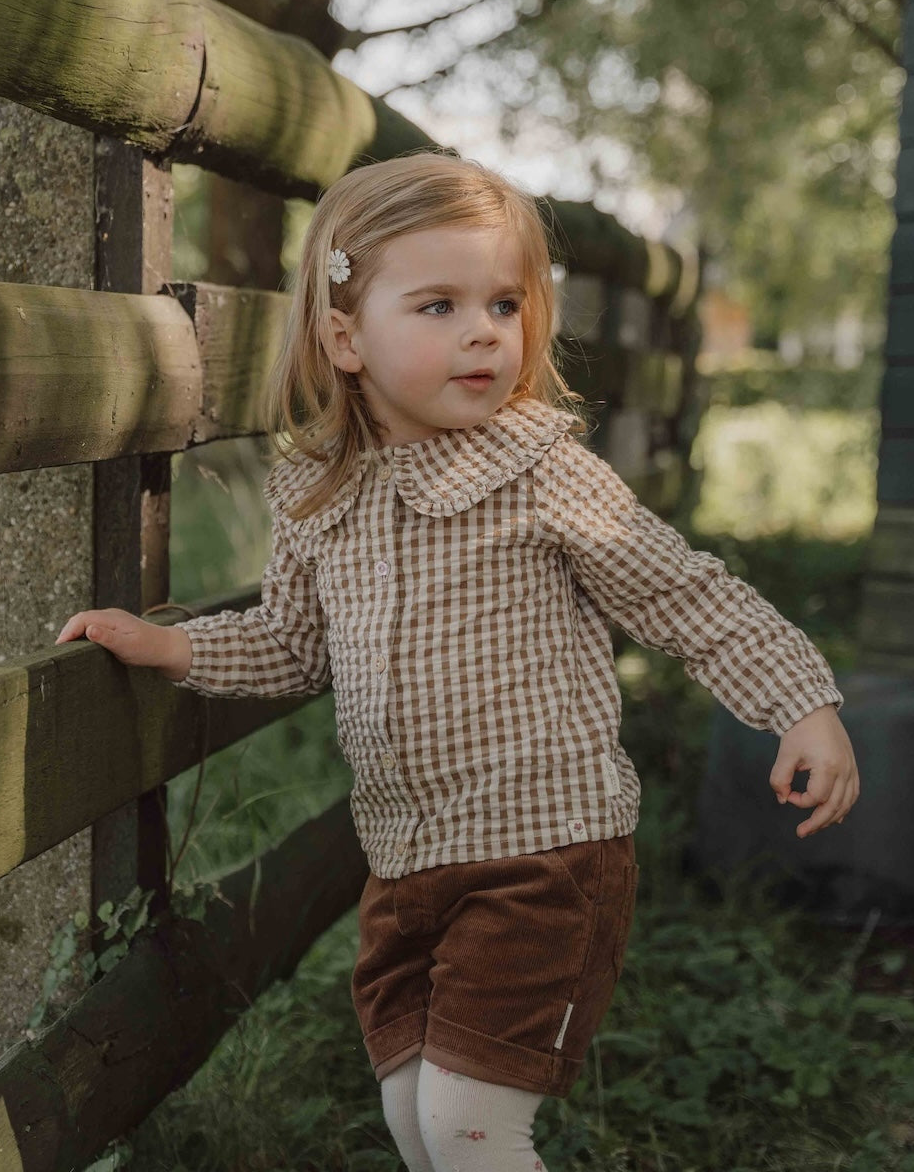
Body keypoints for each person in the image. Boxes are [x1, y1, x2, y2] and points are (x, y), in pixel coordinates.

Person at [55, 151, 860, 1172]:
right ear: (345, 335)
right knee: (416, 1125)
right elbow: (295, 645)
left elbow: (681, 592)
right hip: (402, 866)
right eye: (438, 305)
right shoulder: (320, 492)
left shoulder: (541, 472)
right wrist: (168, 644)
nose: (485, 331)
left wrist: (798, 701)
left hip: (546, 854)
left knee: (471, 1129)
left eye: (504, 303)